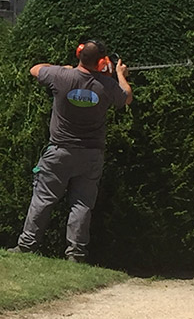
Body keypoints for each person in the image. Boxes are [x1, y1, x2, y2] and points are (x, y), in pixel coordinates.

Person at [10, 39, 133, 263]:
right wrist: (119, 73)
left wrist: (65, 68)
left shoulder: (61, 77)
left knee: (43, 199)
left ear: (79, 55)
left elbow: (35, 69)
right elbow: (126, 97)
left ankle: (26, 246)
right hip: (91, 154)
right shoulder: (106, 86)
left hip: (59, 151)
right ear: (102, 61)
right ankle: (75, 254)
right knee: (82, 205)